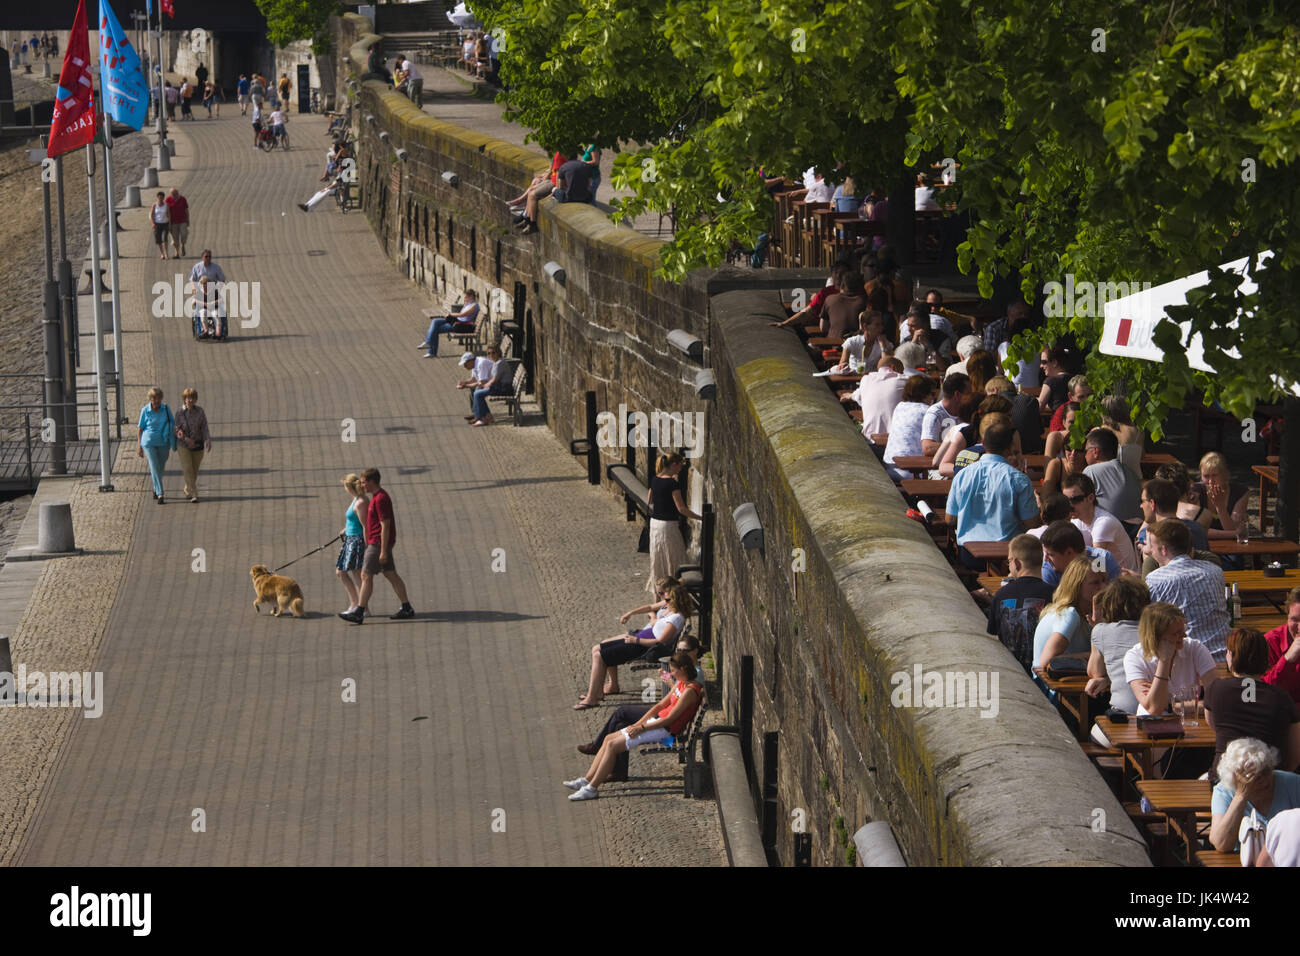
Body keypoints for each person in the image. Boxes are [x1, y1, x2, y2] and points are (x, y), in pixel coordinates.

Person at [564, 651, 703, 801]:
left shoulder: (689, 691)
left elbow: (669, 719)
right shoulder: (682, 683)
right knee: (609, 738)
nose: (672, 674)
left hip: (665, 731)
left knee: (613, 746)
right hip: (657, 723)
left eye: (674, 671)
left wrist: (641, 728)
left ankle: (592, 788)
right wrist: (638, 724)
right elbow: (660, 705)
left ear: (682, 669)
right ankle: (587, 780)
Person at [575, 579, 695, 709]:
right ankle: (599, 692)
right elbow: (653, 616)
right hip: (639, 641)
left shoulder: (676, 618)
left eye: (667, 600)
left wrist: (635, 640)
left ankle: (591, 698)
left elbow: (660, 642)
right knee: (597, 649)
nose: (664, 603)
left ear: (675, 601)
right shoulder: (673, 613)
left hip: (642, 648)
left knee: (599, 655)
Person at [1206, 627, 1300, 779]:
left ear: (1231, 656)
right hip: (1268, 783)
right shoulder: (1282, 698)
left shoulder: (1215, 689)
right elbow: (1295, 757)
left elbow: (1214, 726)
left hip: (1225, 780)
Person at [945, 421, 1040, 563]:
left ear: (983, 443)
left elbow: (950, 519)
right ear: (1010, 447)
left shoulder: (962, 475)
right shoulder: (1019, 479)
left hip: (969, 554)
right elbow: (1032, 524)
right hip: (1006, 557)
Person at [1145, 519, 1231, 660]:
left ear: (1164, 549)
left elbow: (1150, 627)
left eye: (1152, 547)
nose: (1150, 552)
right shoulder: (1215, 571)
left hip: (1186, 661)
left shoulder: (1155, 580)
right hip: (1224, 654)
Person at [338, 468, 414, 623]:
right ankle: (406, 607)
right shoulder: (376, 497)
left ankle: (359, 611)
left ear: (372, 482)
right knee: (390, 574)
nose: (362, 485)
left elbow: (385, 525)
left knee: (365, 575)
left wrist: (383, 550)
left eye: (364, 482)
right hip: (378, 543)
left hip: (377, 544)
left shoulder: (380, 499)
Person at [1125, 601, 1217, 716]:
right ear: (1156, 637)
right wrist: (1164, 661)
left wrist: (1171, 706)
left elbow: (1217, 699)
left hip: (1192, 723)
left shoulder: (1195, 648)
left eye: (1183, 629)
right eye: (1176, 633)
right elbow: (1154, 709)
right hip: (1153, 726)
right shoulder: (1134, 657)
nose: (1184, 636)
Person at [1210, 737, 1300, 853]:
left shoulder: (1294, 783)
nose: (1264, 780)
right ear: (1236, 779)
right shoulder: (1223, 792)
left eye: (1267, 771)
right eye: (1255, 777)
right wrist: (1241, 796)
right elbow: (1221, 844)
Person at [987, 534, 1057, 671]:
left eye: (1009, 561)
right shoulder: (1055, 594)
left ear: (1017, 563)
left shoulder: (1001, 595)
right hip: (1043, 668)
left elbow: (994, 635)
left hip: (1010, 669)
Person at [1032, 555, 1107, 679]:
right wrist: (1088, 655)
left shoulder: (1083, 612)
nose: (1104, 587)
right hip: (1054, 691)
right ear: (1077, 586)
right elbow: (1045, 662)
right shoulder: (1069, 614)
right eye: (1095, 582)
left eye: (1105, 580)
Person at [1085, 574, 1149, 715]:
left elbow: (1094, 673)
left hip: (1123, 714)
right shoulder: (1159, 630)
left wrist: (1099, 625)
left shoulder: (1101, 631)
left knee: (1094, 734)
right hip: (1159, 713)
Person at [646, 452, 701, 592]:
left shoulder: (655, 479)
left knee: (658, 560)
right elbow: (681, 508)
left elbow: (650, 499)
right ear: (674, 465)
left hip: (654, 524)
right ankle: (675, 593)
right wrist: (700, 517)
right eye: (680, 466)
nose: (681, 470)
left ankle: (659, 592)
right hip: (668, 526)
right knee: (675, 558)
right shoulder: (672, 484)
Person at [1061, 472, 1138, 571]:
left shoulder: (1104, 523)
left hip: (1124, 582)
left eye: (1075, 500)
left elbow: (1097, 568)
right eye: (1065, 501)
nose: (1069, 506)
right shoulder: (1076, 521)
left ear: (1090, 498)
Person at [1135, 477, 1210, 570]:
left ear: (1152, 504)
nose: (1141, 506)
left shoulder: (1149, 535)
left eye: (1142, 501)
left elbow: (1149, 576)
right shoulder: (1198, 529)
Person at [1082, 426, 1142, 523]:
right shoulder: (1131, 473)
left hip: (1109, 530)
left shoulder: (1091, 471)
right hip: (1135, 529)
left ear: (1095, 452)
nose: (1084, 455)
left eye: (1086, 451)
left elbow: (1081, 506)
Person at [1038, 519, 1119, 588]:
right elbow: (1051, 605)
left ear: (1069, 552)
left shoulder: (1101, 559)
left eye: (1051, 554)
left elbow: (1117, 597)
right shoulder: (1049, 570)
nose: (1045, 559)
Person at [1193, 450, 1250, 546]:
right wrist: (1234, 533)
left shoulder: (1240, 492)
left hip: (1230, 546)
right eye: (1206, 476)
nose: (1211, 481)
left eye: (1214, 475)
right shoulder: (1196, 491)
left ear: (1225, 474)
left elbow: (1232, 529)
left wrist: (1220, 507)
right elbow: (1198, 530)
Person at [842, 354, 905, 441]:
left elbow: (857, 395)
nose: (902, 373)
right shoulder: (903, 380)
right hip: (894, 440)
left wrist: (849, 396)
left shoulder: (866, 379)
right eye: (902, 371)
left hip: (869, 439)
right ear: (893, 367)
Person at [336, 474, 370, 616]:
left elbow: (365, 525)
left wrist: (368, 546)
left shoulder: (361, 502)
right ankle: (355, 604)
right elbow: (353, 520)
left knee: (355, 573)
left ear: (349, 487)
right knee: (341, 572)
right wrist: (345, 530)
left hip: (357, 540)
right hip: (350, 538)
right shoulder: (356, 499)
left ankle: (362, 607)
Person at [137, 387, 176, 504]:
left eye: (158, 398)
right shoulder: (145, 410)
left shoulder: (166, 409)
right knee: (154, 465)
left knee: (160, 466)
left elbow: (172, 423)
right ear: (150, 399)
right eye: (154, 398)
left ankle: (155, 487)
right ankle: (160, 493)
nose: (156, 400)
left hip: (164, 442)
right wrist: (139, 445)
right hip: (148, 443)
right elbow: (140, 429)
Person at [174, 387, 211, 503]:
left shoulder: (200, 411)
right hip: (183, 445)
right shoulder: (179, 413)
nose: (190, 400)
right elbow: (176, 429)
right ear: (184, 399)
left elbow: (204, 427)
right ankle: (194, 493)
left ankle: (187, 488)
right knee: (188, 469)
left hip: (198, 445)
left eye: (192, 398)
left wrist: (207, 440)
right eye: (187, 398)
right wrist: (185, 438)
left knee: (194, 471)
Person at [920, 372, 970, 458]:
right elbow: (928, 447)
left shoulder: (968, 410)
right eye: (968, 393)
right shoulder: (935, 414)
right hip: (939, 469)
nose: (971, 396)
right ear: (957, 395)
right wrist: (959, 445)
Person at [419, 291, 479, 358]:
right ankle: (428, 344)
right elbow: (461, 313)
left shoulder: (474, 305)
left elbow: (462, 315)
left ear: (471, 297)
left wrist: (450, 314)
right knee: (435, 321)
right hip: (456, 321)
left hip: (460, 325)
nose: (464, 299)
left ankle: (431, 351)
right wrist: (465, 304)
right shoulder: (468, 304)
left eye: (466, 297)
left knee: (435, 330)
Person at [468, 346, 512, 426]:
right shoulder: (496, 363)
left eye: (493, 353)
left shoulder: (500, 363)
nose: (491, 355)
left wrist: (485, 385)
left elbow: (495, 379)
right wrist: (485, 385)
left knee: (477, 394)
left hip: (503, 388)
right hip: (498, 386)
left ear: (498, 353)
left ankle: (481, 418)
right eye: (489, 353)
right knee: (478, 392)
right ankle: (487, 416)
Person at [166, 188, 190, 259]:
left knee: (184, 234)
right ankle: (176, 253)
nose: (175, 195)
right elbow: (167, 212)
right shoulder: (168, 200)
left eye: (176, 193)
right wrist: (168, 223)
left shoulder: (183, 199)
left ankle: (183, 244)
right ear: (170, 194)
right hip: (173, 222)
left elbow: (186, 209)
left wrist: (188, 219)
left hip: (183, 220)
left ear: (178, 193)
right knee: (175, 238)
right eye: (173, 194)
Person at [150, 191, 170, 260]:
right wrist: (153, 223)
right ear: (157, 198)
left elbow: (168, 214)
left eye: (162, 198)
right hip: (157, 224)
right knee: (158, 240)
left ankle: (166, 253)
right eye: (159, 198)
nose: (160, 199)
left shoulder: (166, 205)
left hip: (165, 223)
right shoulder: (154, 205)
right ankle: (162, 253)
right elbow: (151, 214)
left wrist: (170, 223)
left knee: (165, 238)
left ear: (163, 198)